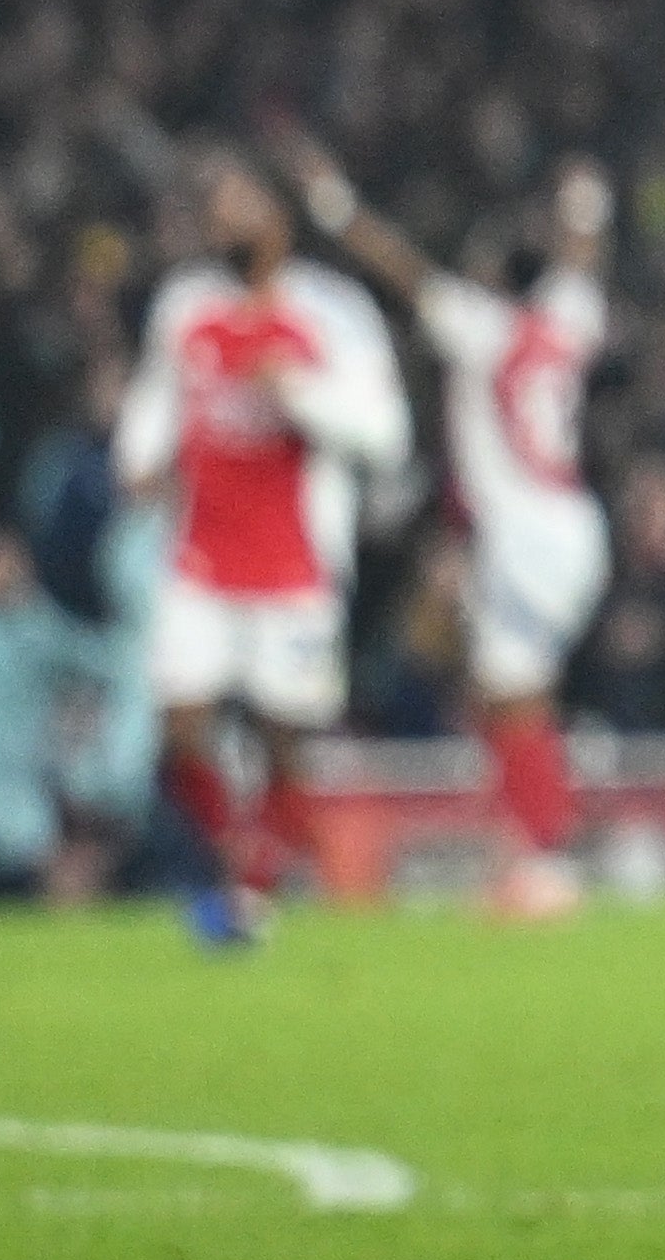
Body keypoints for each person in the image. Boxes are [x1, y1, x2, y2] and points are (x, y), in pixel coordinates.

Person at [299, 147, 617, 920]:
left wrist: (339, 209)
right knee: (494, 690)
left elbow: (404, 271)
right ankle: (533, 844)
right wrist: (585, 208)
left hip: (525, 535)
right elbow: (582, 260)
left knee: (515, 695)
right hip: (569, 524)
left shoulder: (485, 329)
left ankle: (545, 861)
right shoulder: (570, 319)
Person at [113, 150, 414, 949]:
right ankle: (237, 862)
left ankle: (255, 889)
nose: (225, 218)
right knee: (182, 724)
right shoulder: (185, 305)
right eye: (215, 204)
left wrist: (300, 394)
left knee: (286, 739)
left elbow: (387, 434)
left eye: (241, 201)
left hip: (296, 560)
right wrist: (137, 457)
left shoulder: (333, 311)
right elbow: (158, 394)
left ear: (279, 217)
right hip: (199, 555)